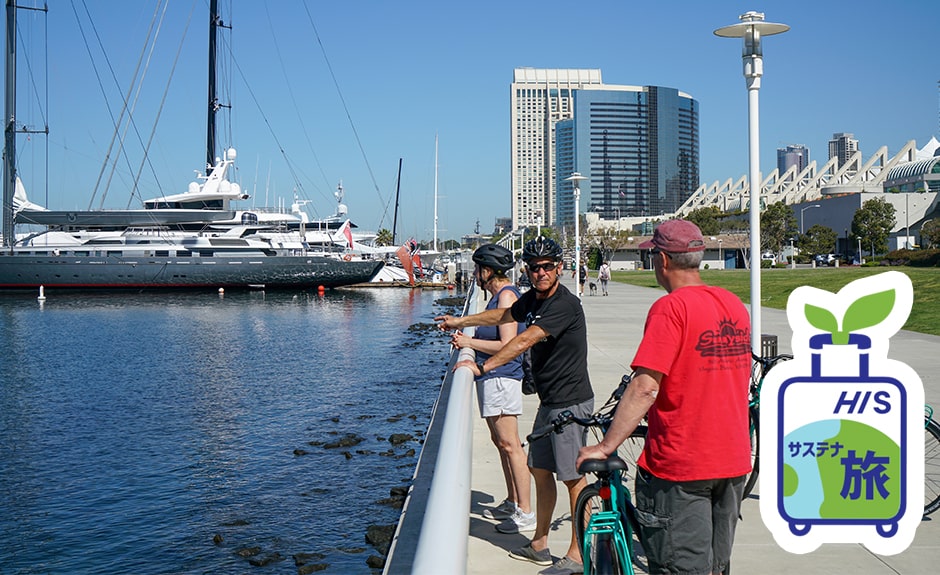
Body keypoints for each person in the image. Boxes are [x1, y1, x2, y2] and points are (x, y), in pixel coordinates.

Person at [576, 219, 752, 575]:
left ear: (663, 260)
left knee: (680, 567)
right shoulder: (733, 305)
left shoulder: (671, 308)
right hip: (732, 461)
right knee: (716, 567)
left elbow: (645, 386)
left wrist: (606, 446)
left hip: (682, 465)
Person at [436, 236, 593, 575]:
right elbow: (502, 315)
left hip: (571, 401)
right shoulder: (533, 299)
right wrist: (459, 322)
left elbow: (523, 340)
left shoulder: (563, 304)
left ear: (560, 268)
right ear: (527, 270)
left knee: (572, 478)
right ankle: (539, 543)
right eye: (534, 268)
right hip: (549, 400)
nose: (541, 273)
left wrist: (482, 366)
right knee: (540, 469)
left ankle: (579, 554)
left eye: (548, 267)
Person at [451, 244, 534, 534]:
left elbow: (507, 345)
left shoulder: (507, 296)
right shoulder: (498, 297)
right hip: (492, 378)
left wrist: (468, 343)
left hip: (502, 378)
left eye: (477, 269)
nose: (474, 275)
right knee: (502, 444)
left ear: (487, 271)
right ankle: (513, 500)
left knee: (511, 445)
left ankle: (525, 512)